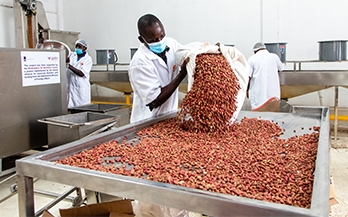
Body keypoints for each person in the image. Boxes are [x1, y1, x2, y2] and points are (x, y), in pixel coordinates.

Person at [128, 14, 189, 123]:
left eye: (162, 36)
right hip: (147, 121)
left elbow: (188, 54)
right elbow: (154, 100)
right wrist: (181, 76)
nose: (160, 41)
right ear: (142, 40)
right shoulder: (140, 62)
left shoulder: (172, 44)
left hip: (169, 116)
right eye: (153, 40)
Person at [247, 42, 284, 112]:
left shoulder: (252, 59)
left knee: (258, 116)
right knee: (272, 116)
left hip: (258, 94)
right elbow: (281, 68)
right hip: (273, 95)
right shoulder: (274, 57)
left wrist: (246, 90)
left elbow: (248, 77)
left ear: (255, 51)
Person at [66, 39, 93, 109]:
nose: (77, 48)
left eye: (79, 47)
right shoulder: (71, 55)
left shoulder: (88, 59)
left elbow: (81, 73)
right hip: (70, 87)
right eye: (76, 46)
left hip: (81, 89)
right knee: (70, 109)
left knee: (82, 109)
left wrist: (69, 66)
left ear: (85, 48)